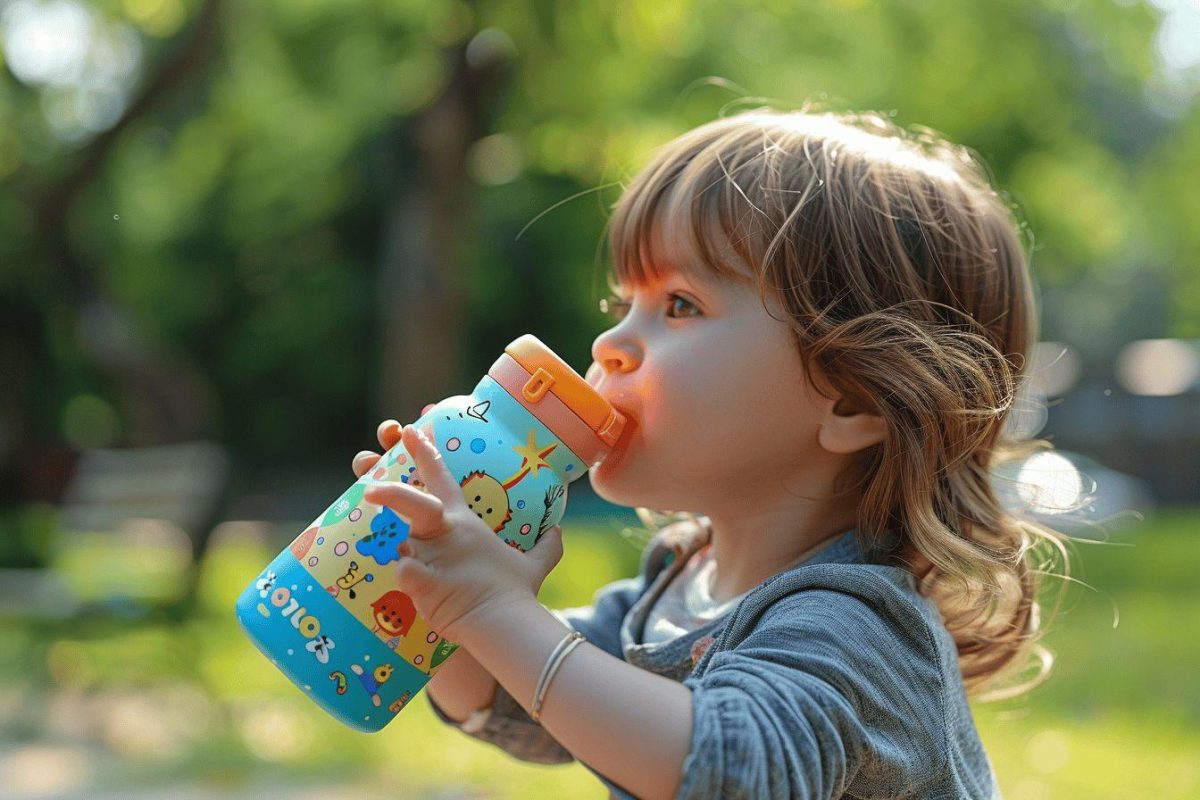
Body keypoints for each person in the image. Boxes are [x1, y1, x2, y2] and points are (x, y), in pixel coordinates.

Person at [352, 106, 1075, 799]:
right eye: (621, 306)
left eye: (680, 306)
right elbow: (529, 703)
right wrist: (434, 587)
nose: (610, 346)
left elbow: (725, 769)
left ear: (851, 399)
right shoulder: (679, 579)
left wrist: (489, 606)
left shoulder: (858, 627)